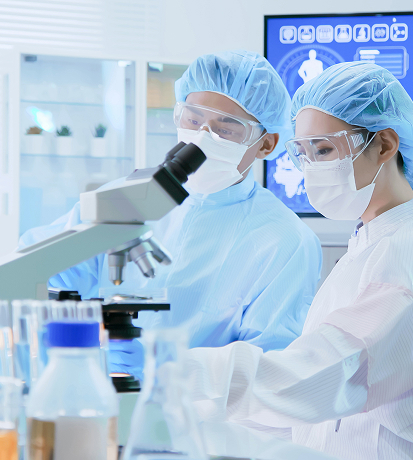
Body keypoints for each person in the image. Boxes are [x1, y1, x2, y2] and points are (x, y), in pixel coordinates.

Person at [18, 51, 321, 376]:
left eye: (226, 130)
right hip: (96, 393)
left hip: (198, 407)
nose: (202, 139)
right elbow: (43, 277)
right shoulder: (127, 196)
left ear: (266, 144)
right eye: (193, 120)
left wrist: (169, 369)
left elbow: (267, 371)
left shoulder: (286, 241)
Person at [184, 61, 413, 460]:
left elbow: (331, 373)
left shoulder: (403, 250)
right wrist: (197, 417)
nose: (311, 168)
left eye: (323, 150)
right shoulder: (366, 244)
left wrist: (182, 373)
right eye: (303, 153)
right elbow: (308, 414)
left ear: (384, 145)